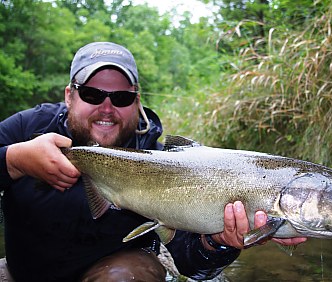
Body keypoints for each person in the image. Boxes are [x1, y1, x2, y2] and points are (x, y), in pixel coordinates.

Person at [0, 42, 306, 281]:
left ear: (137, 101)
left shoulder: (164, 162)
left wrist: (220, 243)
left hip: (118, 271)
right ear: (69, 96)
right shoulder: (27, 130)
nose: (107, 108)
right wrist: (13, 161)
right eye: (92, 94)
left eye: (121, 98)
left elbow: (191, 264)